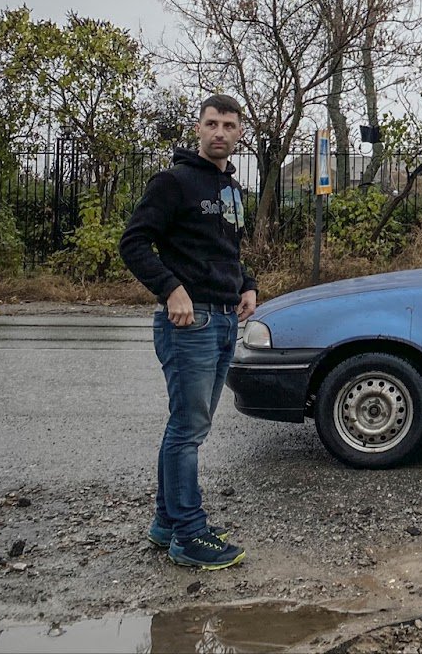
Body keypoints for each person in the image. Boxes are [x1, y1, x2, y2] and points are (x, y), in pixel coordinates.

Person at [120, 94, 258, 570]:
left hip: (223, 318)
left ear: (240, 133)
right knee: (188, 428)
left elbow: (228, 249)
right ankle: (188, 534)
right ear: (198, 129)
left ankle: (166, 523)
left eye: (229, 125)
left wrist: (247, 286)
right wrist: (170, 289)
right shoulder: (173, 182)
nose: (220, 132)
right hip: (189, 320)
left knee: (187, 425)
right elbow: (134, 243)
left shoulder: (234, 191)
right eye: (211, 123)